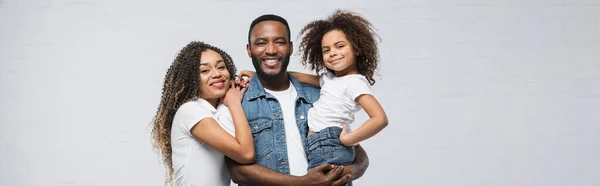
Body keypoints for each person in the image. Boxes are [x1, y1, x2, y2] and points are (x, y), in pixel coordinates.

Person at [225, 14, 369, 186]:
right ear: (249, 49)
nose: (271, 50)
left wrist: (342, 174)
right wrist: (303, 183)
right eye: (261, 43)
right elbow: (238, 172)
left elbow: (359, 157)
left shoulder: (320, 95)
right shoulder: (236, 100)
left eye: (279, 42)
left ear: (290, 47)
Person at [151, 41, 254, 186]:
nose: (217, 74)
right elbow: (246, 154)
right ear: (190, 80)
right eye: (205, 71)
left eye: (221, 67)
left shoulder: (219, 109)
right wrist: (234, 103)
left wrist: (257, 79)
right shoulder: (190, 111)